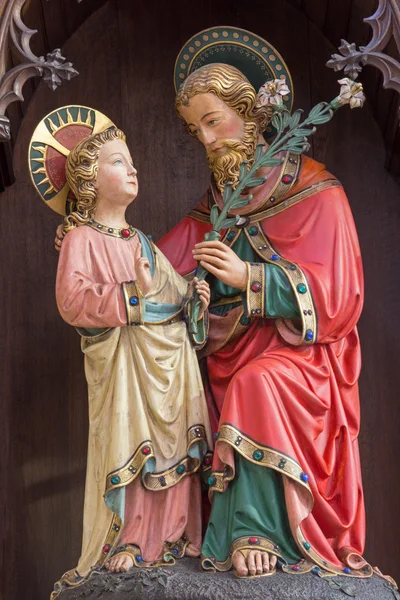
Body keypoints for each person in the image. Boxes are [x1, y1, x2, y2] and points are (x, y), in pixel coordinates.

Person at [54, 58, 372, 580]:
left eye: (212, 120)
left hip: (304, 364)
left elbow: (340, 297)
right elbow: (153, 266)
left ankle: (257, 531)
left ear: (250, 115)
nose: (205, 139)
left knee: (255, 382)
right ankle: (166, 534)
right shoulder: (214, 211)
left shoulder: (318, 193)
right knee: (177, 387)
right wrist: (92, 236)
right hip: (225, 352)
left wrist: (252, 277)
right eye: (195, 128)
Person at [53, 125, 212, 592]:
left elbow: (174, 294)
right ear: (88, 179)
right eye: (119, 161)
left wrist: (195, 299)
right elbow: (72, 301)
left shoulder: (142, 242)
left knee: (176, 447)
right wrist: (132, 295)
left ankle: (176, 535)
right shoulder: (82, 239)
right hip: (124, 368)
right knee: (133, 446)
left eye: (132, 160)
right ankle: (130, 538)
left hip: (169, 363)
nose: (133, 168)